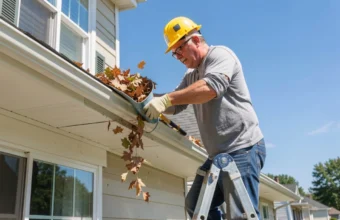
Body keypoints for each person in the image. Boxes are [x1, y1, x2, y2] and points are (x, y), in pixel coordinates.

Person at [143, 16, 266, 220]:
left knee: (241, 215)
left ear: (196, 40)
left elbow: (210, 88)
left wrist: (166, 100)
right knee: (195, 205)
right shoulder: (191, 75)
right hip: (217, 155)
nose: (178, 56)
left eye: (179, 48)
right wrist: (147, 100)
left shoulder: (221, 55)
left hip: (242, 147)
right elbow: (177, 104)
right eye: (174, 53)